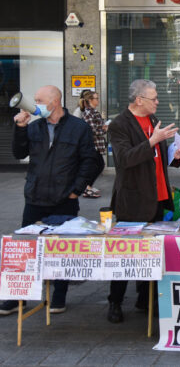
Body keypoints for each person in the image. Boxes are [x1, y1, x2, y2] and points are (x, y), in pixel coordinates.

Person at [0, 85, 99, 315]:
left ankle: (58, 296)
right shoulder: (33, 127)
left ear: (54, 102)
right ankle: (17, 298)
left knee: (62, 249)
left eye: (38, 99)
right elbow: (18, 153)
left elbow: (90, 161)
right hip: (35, 198)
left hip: (64, 199)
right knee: (25, 249)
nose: (34, 103)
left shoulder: (79, 128)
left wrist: (76, 190)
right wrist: (20, 128)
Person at [108, 79, 180, 323]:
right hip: (133, 201)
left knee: (152, 254)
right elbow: (124, 159)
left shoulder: (153, 121)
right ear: (139, 100)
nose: (158, 102)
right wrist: (152, 140)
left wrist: (175, 158)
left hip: (159, 198)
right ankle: (115, 302)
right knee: (126, 255)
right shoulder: (119, 124)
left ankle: (145, 299)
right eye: (154, 98)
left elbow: (158, 161)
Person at [76, 89, 107, 198]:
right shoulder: (89, 113)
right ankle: (86, 187)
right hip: (92, 145)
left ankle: (87, 186)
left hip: (97, 144)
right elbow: (91, 130)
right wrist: (104, 129)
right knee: (97, 166)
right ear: (90, 100)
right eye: (96, 98)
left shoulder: (93, 112)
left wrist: (103, 127)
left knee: (98, 166)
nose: (98, 100)